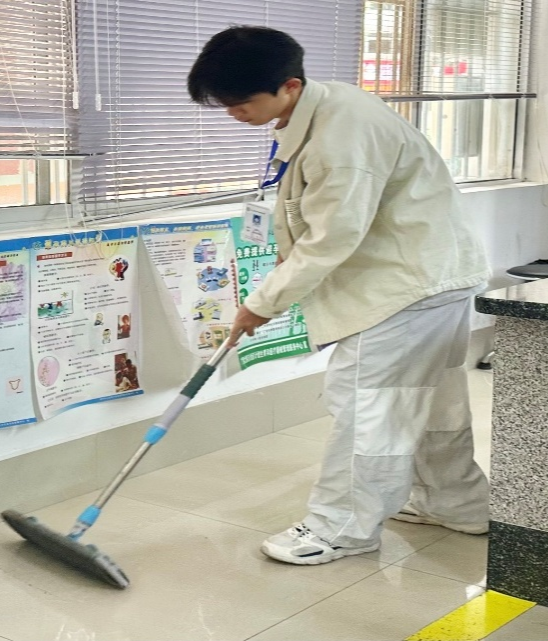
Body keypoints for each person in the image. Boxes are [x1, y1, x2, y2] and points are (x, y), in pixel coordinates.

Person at [188, 26, 491, 565]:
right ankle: (455, 503)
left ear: (288, 85)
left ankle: (342, 528)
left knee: (368, 405)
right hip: (428, 274)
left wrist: (262, 303)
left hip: (405, 287)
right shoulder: (324, 108)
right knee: (428, 400)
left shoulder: (341, 137)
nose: (234, 114)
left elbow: (332, 238)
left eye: (241, 103)